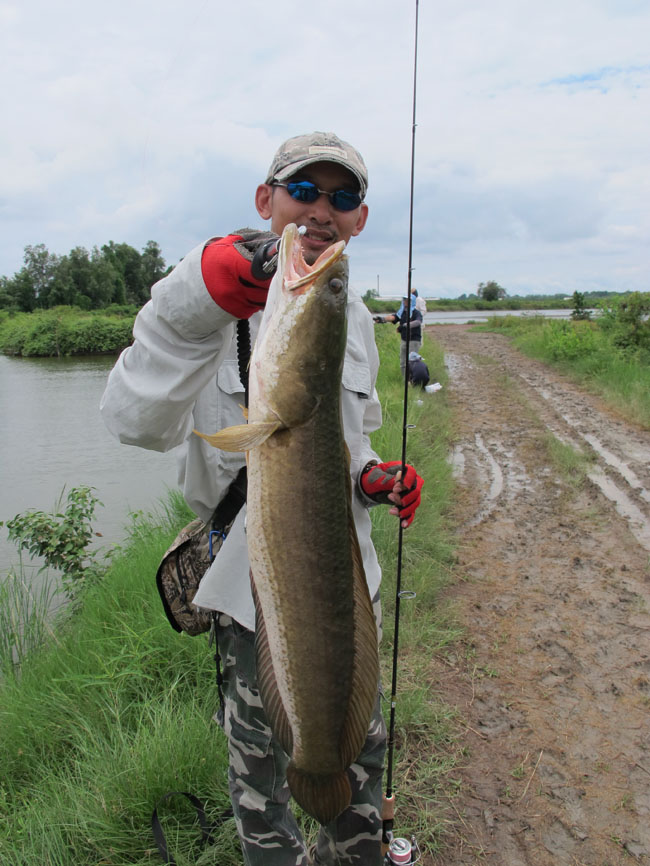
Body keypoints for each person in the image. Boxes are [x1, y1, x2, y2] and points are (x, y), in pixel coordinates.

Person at [100, 131, 423, 866]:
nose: (320, 211)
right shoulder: (214, 311)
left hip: (345, 590)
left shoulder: (348, 317)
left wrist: (371, 477)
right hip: (252, 601)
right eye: (302, 191)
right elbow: (129, 422)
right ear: (264, 201)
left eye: (342, 198)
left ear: (359, 219)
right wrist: (195, 299)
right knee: (262, 786)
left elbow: (351, 436)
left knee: (358, 759)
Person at [373, 294, 423, 379]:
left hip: (414, 340)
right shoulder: (402, 312)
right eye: (404, 299)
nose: (405, 301)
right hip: (404, 340)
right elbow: (394, 317)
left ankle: (413, 380)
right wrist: (382, 319)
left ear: (412, 302)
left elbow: (418, 322)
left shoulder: (416, 313)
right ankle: (405, 380)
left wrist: (405, 325)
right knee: (403, 362)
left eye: (407, 300)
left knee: (412, 361)